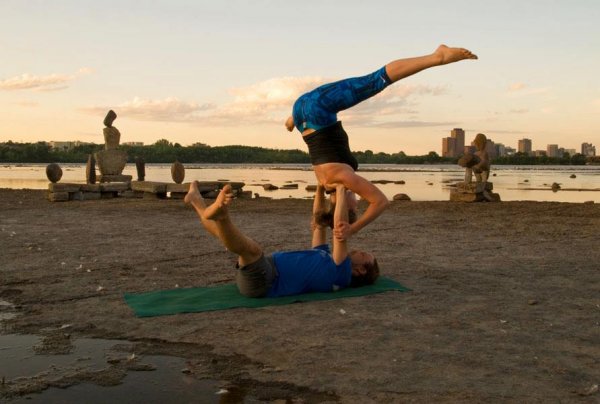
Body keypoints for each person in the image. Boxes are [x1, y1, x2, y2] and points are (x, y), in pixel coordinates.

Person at [285, 45, 478, 240]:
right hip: (301, 115)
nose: (358, 202)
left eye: (355, 206)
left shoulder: (343, 179)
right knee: (370, 84)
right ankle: (290, 120)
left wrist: (353, 229)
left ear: (343, 208)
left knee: (376, 80)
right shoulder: (324, 182)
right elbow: (318, 214)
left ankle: (438, 57)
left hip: (317, 110)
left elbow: (380, 202)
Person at [184, 181, 379, 298]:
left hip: (265, 281)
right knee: (225, 235)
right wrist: (320, 188)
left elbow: (340, 227)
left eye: (364, 255)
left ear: (361, 270)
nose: (358, 251)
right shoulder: (326, 256)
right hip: (263, 271)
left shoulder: (342, 273)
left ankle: (222, 216)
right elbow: (319, 222)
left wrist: (341, 188)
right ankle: (196, 200)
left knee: (251, 250)